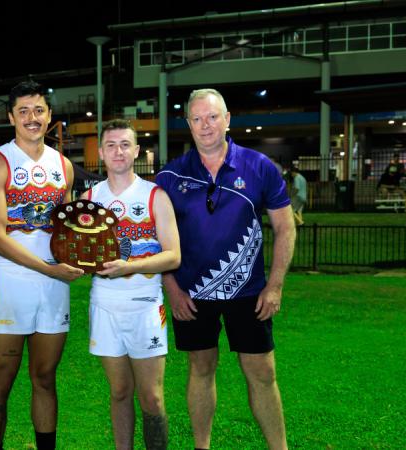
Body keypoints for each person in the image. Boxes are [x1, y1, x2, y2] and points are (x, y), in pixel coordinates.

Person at [155, 88, 295, 450]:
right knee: (201, 370)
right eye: (198, 118)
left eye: (213, 116)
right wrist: (172, 289)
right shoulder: (170, 176)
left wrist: (275, 285)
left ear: (228, 119)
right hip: (192, 295)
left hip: (249, 294)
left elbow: (285, 227)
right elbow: (155, 238)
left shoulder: (259, 167)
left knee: (262, 373)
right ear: (188, 124)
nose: (206, 125)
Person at [0, 80, 84, 450]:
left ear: (49, 116)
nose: (32, 118)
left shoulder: (64, 165)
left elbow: (66, 227)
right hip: (10, 282)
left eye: (38, 110)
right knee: (1, 379)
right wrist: (50, 269)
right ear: (11, 117)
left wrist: (79, 253)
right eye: (23, 111)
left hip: (52, 284)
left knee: (44, 377)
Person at [81, 119, 181, 450]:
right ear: (102, 152)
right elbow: (80, 252)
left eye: (125, 144)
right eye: (111, 145)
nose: (118, 151)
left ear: (137, 150)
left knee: (151, 397)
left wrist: (129, 267)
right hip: (105, 306)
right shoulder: (89, 198)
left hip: (144, 306)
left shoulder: (154, 195)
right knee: (119, 392)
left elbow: (173, 256)